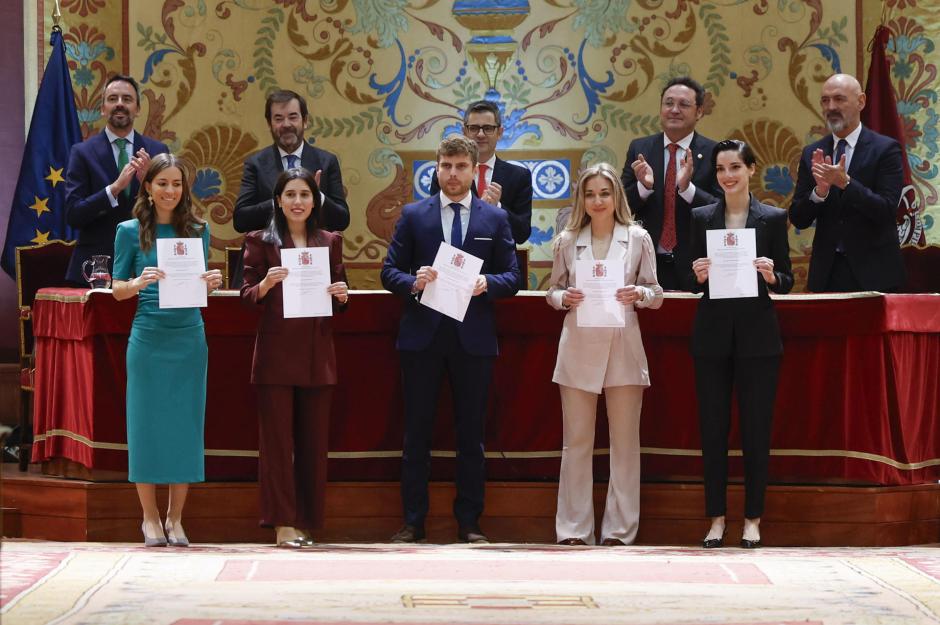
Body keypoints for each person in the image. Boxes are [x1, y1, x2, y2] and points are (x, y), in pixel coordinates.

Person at [381, 135, 520, 544]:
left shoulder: (494, 219)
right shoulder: (413, 215)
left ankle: (470, 523)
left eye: (460, 166)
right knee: (416, 434)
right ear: (436, 168)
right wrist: (414, 282)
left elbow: (513, 277)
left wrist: (486, 283)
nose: (453, 174)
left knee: (471, 436)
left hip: (472, 339)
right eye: (446, 166)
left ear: (474, 170)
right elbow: (389, 272)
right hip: (422, 338)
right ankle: (412, 522)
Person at [546, 163, 663, 546]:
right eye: (590, 194)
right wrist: (564, 297)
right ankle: (574, 530)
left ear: (617, 198)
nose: (598, 201)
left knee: (625, 443)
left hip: (623, 345)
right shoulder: (566, 239)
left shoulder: (639, 237)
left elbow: (656, 293)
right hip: (579, 345)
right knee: (575, 442)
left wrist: (640, 295)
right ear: (582, 199)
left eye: (605, 193)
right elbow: (553, 291)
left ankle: (619, 531)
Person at [685, 140, 793, 549]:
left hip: (758, 338)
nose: (727, 176)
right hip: (711, 335)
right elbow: (685, 278)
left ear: (751, 169)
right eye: (720, 169)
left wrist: (771, 277)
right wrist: (696, 273)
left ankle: (752, 518)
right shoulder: (701, 218)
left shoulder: (771, 217)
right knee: (712, 430)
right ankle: (716, 518)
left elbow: (787, 280)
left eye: (735, 167)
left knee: (755, 430)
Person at [111, 153, 223, 547]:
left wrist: (210, 281)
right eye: (162, 184)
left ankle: (176, 518)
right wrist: (139, 282)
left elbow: (198, 285)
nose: (170, 191)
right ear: (148, 187)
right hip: (148, 337)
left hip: (189, 336)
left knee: (185, 427)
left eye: (177, 185)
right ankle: (149, 518)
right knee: (145, 427)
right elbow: (117, 290)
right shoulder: (128, 231)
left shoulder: (197, 229)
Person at [240, 168, 349, 548]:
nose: (298, 201)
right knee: (276, 446)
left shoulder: (329, 240)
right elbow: (245, 295)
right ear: (278, 200)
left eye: (305, 194)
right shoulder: (260, 240)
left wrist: (341, 295)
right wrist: (266, 284)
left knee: (313, 444)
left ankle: (304, 520)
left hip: (317, 353)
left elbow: (340, 296)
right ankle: (281, 523)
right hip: (275, 353)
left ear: (315, 200)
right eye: (290, 195)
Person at [790, 73, 905, 292]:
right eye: (825, 100)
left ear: (861, 101)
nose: (830, 106)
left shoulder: (886, 149)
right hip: (828, 274)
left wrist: (847, 184)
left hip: (875, 273)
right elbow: (798, 218)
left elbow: (887, 210)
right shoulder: (812, 153)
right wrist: (819, 192)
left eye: (839, 99)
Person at [232, 90, 349, 287]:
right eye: (278, 118)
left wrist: (316, 197)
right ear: (269, 124)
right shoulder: (256, 164)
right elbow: (241, 219)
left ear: (305, 121)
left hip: (313, 266)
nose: (286, 124)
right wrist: (283, 200)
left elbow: (342, 219)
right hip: (267, 266)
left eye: (293, 117)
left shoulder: (326, 162)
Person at [65, 74, 169, 285]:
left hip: (148, 264)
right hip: (97, 268)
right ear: (103, 108)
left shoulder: (158, 151)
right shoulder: (82, 153)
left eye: (127, 99)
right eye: (113, 99)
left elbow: (174, 209)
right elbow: (73, 215)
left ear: (137, 109)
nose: (120, 104)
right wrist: (113, 189)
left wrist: (151, 185)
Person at [620, 77, 721, 290]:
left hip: (699, 265)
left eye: (684, 104)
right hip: (648, 263)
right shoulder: (640, 148)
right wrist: (644, 188)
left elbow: (722, 210)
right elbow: (621, 206)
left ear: (699, 112)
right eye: (668, 103)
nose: (674, 110)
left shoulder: (714, 152)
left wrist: (688, 190)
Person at [429, 100, 533, 246]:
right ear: (465, 131)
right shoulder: (446, 174)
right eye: (474, 128)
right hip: (454, 261)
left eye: (488, 128)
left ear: (499, 133)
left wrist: (497, 207)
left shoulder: (519, 176)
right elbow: (433, 224)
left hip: (499, 264)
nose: (480, 134)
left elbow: (522, 234)